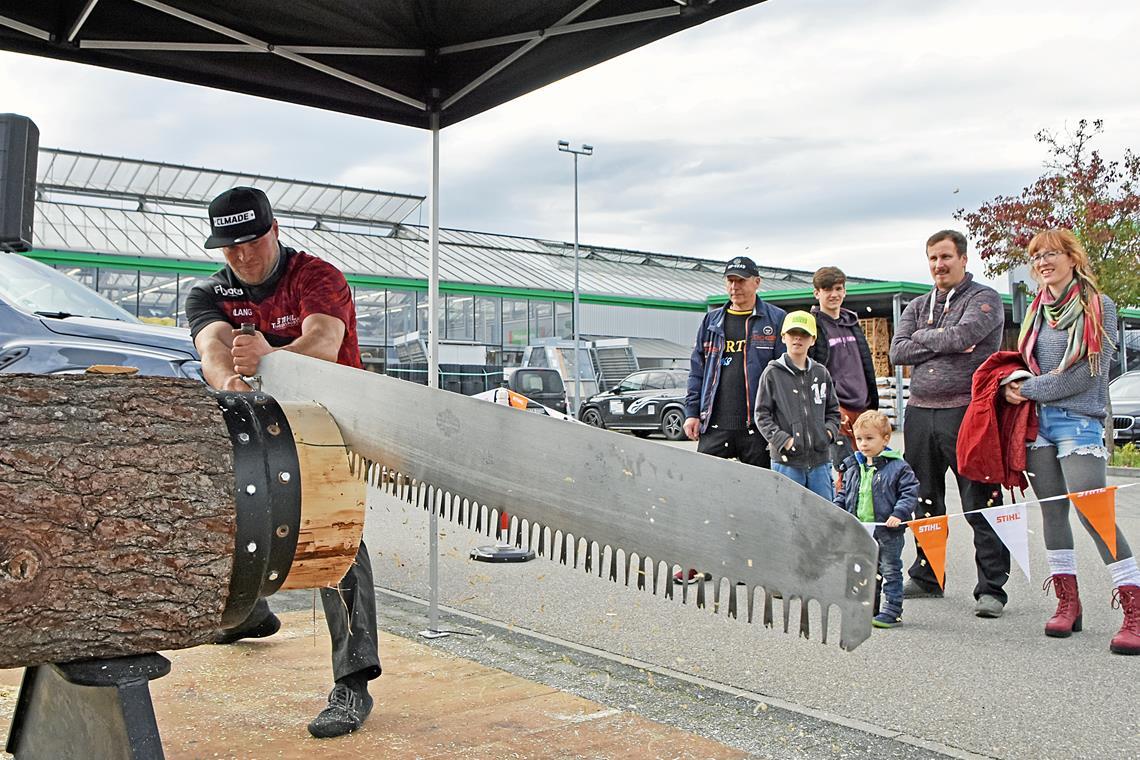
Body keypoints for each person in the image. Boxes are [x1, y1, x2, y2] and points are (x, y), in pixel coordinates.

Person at [185, 187, 382, 737]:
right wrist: (234, 384)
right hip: (256, 419)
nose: (243, 256)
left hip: (330, 420)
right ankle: (249, 615)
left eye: (252, 242)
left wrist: (269, 357)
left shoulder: (318, 276)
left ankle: (353, 682)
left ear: (275, 231)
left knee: (334, 538)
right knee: (234, 518)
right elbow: (212, 350)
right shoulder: (209, 292)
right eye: (230, 247)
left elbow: (323, 341)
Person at [1003, 228, 1138, 654]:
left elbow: (1088, 374)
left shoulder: (1099, 306)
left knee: (1093, 512)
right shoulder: (1036, 311)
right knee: (1053, 513)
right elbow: (1027, 366)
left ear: (1072, 258)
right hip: (1038, 423)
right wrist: (1013, 384)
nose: (1043, 262)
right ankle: (1068, 604)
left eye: (1052, 254)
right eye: (1036, 256)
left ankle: (1134, 610)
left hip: (1079, 420)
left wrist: (1028, 389)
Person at [888, 230, 1011, 618]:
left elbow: (965, 335)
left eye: (945, 257)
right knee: (925, 498)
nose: (939, 265)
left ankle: (991, 588)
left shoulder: (985, 299)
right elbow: (896, 350)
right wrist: (942, 340)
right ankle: (928, 575)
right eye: (932, 259)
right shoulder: (918, 304)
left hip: (968, 411)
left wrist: (928, 341)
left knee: (980, 499)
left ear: (963, 259)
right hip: (920, 413)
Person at [681, 255, 786, 583]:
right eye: (730, 280)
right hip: (715, 423)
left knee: (759, 501)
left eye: (741, 280)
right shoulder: (711, 321)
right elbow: (697, 369)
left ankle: (751, 566)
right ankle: (697, 561)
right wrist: (691, 412)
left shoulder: (775, 320)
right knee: (703, 496)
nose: (734, 287)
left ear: (757, 282)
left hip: (758, 427)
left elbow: (784, 373)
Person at [834, 410, 919, 628]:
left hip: (887, 530)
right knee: (864, 569)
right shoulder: (854, 466)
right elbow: (845, 493)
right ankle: (868, 607)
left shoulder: (899, 467)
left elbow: (909, 493)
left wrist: (898, 514)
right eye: (859, 439)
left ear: (885, 439)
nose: (863, 444)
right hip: (862, 530)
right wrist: (838, 510)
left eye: (869, 438)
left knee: (890, 570)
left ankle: (892, 611)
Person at [754, 310, 840, 500]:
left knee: (823, 514)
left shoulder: (821, 373)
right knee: (788, 516)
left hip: (820, 461)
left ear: (813, 339)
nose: (798, 339)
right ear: (783, 337)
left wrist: (827, 433)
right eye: (793, 334)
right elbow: (762, 415)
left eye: (804, 335)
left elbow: (833, 411)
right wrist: (784, 441)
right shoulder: (772, 374)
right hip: (786, 463)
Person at [807, 266, 880, 480]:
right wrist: (830, 409)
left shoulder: (853, 324)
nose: (834, 294)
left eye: (838, 288)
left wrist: (872, 404)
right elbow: (811, 373)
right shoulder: (814, 327)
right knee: (845, 474)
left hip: (864, 409)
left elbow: (865, 366)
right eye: (827, 289)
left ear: (845, 291)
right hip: (838, 413)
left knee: (870, 473)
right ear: (817, 293)